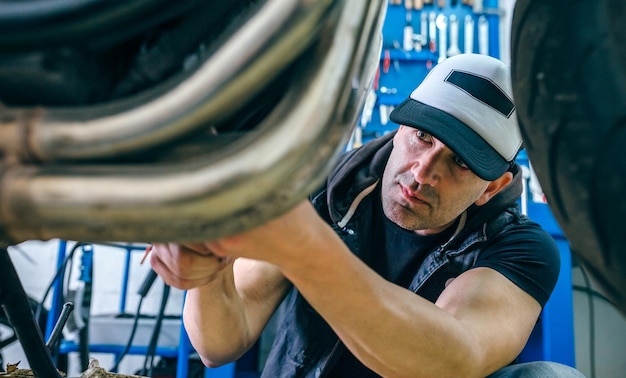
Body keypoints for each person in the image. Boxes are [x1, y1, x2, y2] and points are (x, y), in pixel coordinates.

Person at [149, 54, 585, 377]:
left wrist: (307, 250)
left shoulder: (520, 247)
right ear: (398, 129)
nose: (422, 173)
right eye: (421, 137)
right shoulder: (326, 191)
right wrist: (207, 270)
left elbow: (452, 360)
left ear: (493, 187)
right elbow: (219, 343)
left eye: (461, 163)